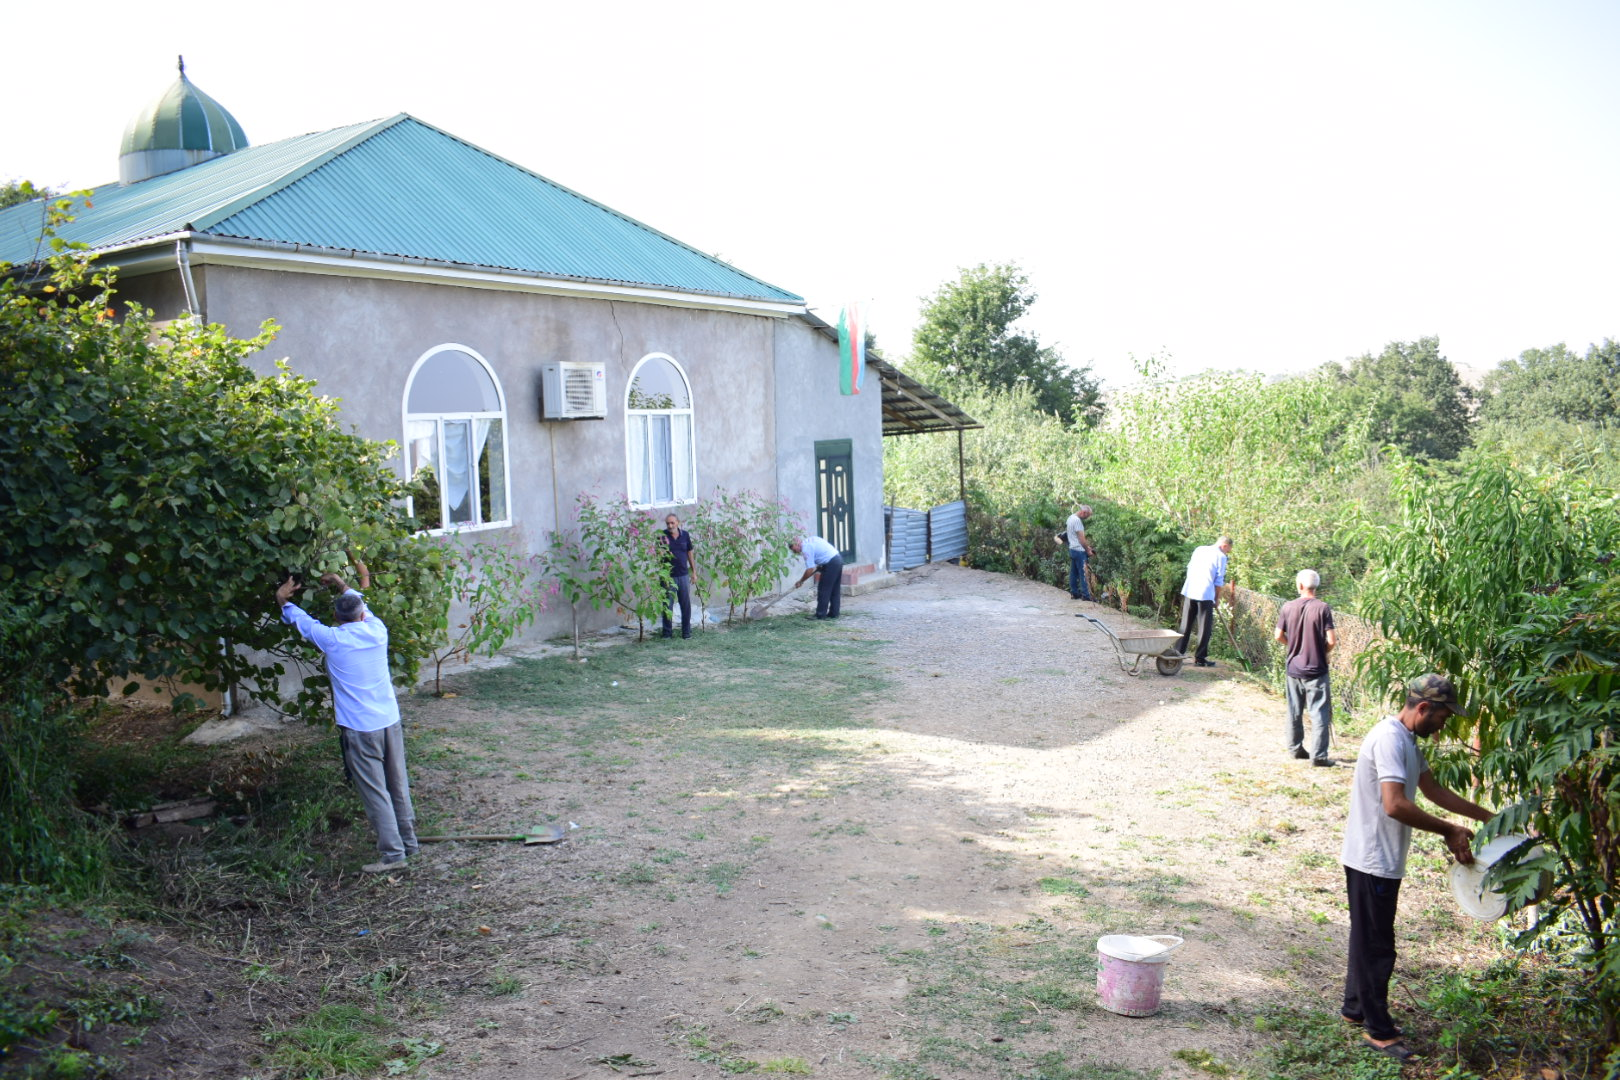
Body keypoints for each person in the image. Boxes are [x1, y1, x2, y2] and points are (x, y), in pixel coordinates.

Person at [1341, 674, 1493, 1064]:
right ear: (1422, 708)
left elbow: (1433, 791)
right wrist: (1447, 830)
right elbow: (1394, 804)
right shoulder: (1390, 738)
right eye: (1442, 717)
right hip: (1373, 857)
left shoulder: (1407, 740)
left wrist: (1487, 818)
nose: (1443, 725)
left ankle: (1355, 1007)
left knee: (1368, 936)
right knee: (1377, 946)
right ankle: (1379, 1030)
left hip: (1380, 857)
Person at [275, 563, 418, 874]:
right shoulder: (378, 631)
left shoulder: (332, 639)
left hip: (359, 728)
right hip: (389, 721)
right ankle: (409, 843)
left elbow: (301, 620)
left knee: (375, 791)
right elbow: (358, 603)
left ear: (337, 618)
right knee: (398, 784)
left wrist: (283, 599)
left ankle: (394, 856)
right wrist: (342, 583)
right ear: (362, 615)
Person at [1275, 569, 1337, 765]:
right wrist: (1322, 650)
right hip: (1316, 668)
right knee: (1319, 712)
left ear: (1300, 585)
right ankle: (1319, 757)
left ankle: (1295, 749)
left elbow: (1278, 635)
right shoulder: (1323, 608)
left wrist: (1293, 645)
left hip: (1294, 668)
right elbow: (1332, 640)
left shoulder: (1288, 606)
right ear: (1315, 587)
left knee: (1294, 710)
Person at [1174, 536, 1232, 667]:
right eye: (1228, 550)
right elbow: (1218, 580)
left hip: (1190, 589)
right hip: (1205, 593)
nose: (1226, 553)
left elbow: (1189, 567)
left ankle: (1178, 653)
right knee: (1204, 627)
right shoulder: (1221, 557)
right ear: (1225, 546)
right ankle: (1200, 658)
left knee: (1185, 624)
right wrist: (1216, 599)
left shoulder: (1199, 549)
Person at [660, 513, 696, 639]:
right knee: (667, 605)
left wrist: (694, 572)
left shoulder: (685, 535)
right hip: (668, 577)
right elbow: (657, 555)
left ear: (678, 522)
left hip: (683, 575)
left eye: (672, 523)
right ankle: (667, 633)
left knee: (685, 605)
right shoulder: (662, 536)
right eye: (668, 523)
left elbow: (690, 554)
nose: (670, 525)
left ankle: (686, 633)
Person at [789, 535, 843, 619]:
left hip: (831, 563)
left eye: (793, 549)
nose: (794, 552)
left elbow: (809, 569)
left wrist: (801, 581)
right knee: (834, 589)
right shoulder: (810, 540)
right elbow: (821, 552)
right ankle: (834, 613)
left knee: (823, 590)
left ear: (797, 544)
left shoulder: (806, 549)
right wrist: (820, 565)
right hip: (837, 559)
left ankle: (820, 615)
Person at [1064, 505, 1096, 600]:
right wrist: (1088, 550)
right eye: (1088, 515)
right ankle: (1086, 595)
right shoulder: (1077, 521)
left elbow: (1073, 536)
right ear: (1084, 512)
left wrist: (1087, 547)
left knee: (1073, 572)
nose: (1087, 518)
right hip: (1079, 551)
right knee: (1084, 573)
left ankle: (1074, 593)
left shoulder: (1070, 518)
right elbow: (1081, 539)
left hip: (1072, 549)